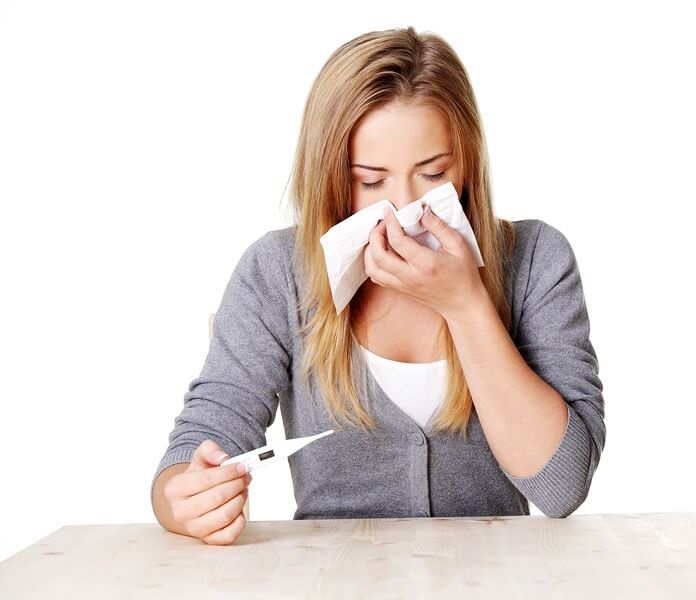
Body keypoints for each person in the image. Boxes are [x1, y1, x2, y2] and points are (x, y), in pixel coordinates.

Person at [150, 26, 606, 546]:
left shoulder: (536, 260)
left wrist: (467, 306)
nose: (404, 210)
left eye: (433, 173)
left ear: (467, 163)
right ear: (329, 177)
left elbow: (563, 486)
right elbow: (197, 443)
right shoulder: (277, 271)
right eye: (371, 181)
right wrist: (184, 500)